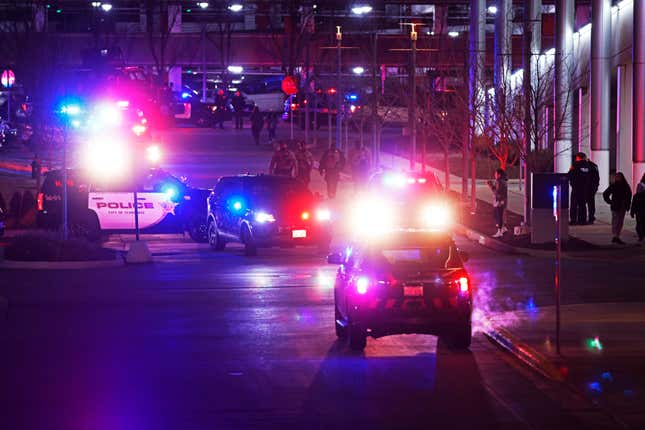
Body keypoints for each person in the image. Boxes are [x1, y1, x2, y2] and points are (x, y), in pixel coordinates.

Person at [603, 172, 632, 245]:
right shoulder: (622, 186)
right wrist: (610, 201)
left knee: (618, 221)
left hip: (620, 206)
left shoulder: (618, 186)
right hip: (617, 206)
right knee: (617, 221)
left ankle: (616, 236)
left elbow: (629, 196)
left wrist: (610, 201)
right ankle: (616, 236)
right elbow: (605, 194)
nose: (617, 178)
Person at [567, 152, 594, 225]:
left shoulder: (575, 164)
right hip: (585, 188)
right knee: (582, 205)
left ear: (578, 158)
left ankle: (573, 220)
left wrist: (571, 182)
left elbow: (570, 174)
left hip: (576, 188)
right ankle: (582, 220)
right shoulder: (589, 166)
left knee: (574, 205)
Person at [487, 168, 508, 238]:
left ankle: (500, 231)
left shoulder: (499, 181)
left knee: (498, 216)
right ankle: (503, 228)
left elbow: (497, 192)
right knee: (499, 215)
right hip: (502, 201)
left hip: (499, 201)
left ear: (499, 175)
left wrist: (491, 186)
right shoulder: (504, 181)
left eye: (495, 174)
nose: (494, 175)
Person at [630, 173, 645, 243]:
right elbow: (634, 204)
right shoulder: (636, 196)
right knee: (640, 225)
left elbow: (633, 204)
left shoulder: (636, 196)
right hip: (639, 212)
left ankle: (641, 237)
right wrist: (632, 212)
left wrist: (632, 212)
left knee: (639, 225)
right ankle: (641, 236)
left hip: (639, 212)